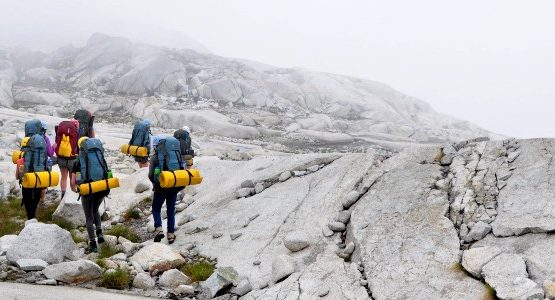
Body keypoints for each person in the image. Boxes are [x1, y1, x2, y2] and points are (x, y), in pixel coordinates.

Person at [70, 137, 107, 253]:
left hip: (87, 190)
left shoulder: (77, 162)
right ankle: (100, 232)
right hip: (101, 188)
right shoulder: (98, 156)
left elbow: (74, 181)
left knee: (89, 217)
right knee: (95, 210)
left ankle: (93, 243)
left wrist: (75, 189)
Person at [148, 135, 183, 244]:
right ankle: (171, 235)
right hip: (173, 186)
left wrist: (155, 183)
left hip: (160, 187)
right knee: (170, 210)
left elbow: (150, 175)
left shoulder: (155, 157)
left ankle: (159, 230)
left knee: (156, 208)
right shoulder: (175, 155)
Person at [40, 120, 55, 201]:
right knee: (42, 183)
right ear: (45, 130)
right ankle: (42, 201)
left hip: (31, 164)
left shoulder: (31, 137)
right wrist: (53, 147)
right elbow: (50, 153)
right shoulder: (45, 139)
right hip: (42, 165)